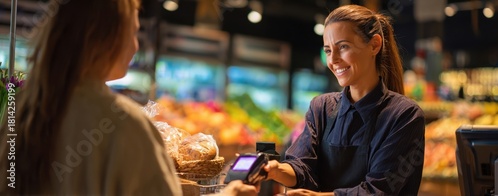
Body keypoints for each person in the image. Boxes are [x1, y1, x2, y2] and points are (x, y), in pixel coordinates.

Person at [0, 0, 257, 195]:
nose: (135, 46)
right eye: (133, 32)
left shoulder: (21, 108)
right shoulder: (126, 124)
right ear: (107, 38)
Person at [264, 4, 425, 196]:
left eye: (343, 47)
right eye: (328, 51)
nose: (334, 60)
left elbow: (379, 191)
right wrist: (273, 170)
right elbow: (302, 167)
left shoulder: (404, 115)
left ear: (374, 45)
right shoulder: (321, 108)